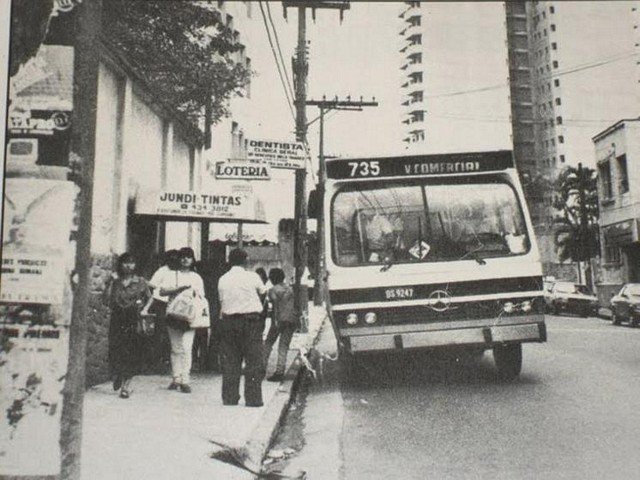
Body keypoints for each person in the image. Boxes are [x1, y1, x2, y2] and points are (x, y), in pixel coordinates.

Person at [148, 247, 205, 393]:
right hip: (173, 313)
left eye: (188, 257)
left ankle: (185, 379)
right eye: (183, 257)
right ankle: (176, 378)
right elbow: (162, 291)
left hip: (190, 315)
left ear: (193, 260)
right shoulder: (172, 275)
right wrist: (178, 289)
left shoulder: (196, 277)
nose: (185, 259)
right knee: (175, 347)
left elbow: (201, 296)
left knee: (187, 347)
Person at [217, 249, 267, 407]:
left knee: (231, 360)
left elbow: (221, 301)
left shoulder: (223, 279)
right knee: (253, 360)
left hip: (229, 322)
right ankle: (253, 399)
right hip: (251, 322)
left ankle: (230, 398)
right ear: (245, 260)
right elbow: (263, 292)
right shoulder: (252, 276)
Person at [105, 253, 151, 399]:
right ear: (121, 264)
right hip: (117, 317)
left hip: (133, 318)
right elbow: (106, 300)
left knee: (131, 351)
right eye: (125, 263)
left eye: (131, 263)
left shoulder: (141, 282)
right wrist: (109, 283)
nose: (128, 266)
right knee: (115, 348)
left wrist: (145, 309)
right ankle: (118, 374)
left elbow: (151, 298)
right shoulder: (115, 281)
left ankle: (126, 387)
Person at [146, 249, 180, 372]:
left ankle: (169, 361)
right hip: (161, 304)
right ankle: (156, 362)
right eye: (171, 258)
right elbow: (152, 285)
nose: (174, 260)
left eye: (176, 258)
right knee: (160, 332)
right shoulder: (162, 271)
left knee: (172, 333)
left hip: (176, 305)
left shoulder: (179, 272)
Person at [263, 268, 296, 382]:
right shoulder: (290, 289)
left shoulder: (272, 290)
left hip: (279, 319)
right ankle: (280, 371)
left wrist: (275, 321)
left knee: (268, 343)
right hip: (291, 319)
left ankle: (261, 368)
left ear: (272, 279)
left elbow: (275, 307)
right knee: (283, 347)